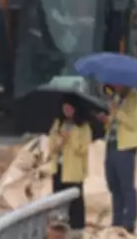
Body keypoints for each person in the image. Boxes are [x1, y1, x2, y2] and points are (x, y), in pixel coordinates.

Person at [98, 83, 137, 230]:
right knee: (113, 184)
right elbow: (114, 124)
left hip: (125, 146)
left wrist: (116, 112)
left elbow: (134, 123)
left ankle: (129, 222)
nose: (115, 86)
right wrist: (106, 120)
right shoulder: (117, 99)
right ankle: (117, 220)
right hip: (112, 144)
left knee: (126, 185)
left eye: (118, 84)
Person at [47, 99, 91, 232]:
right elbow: (51, 146)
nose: (67, 112)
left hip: (74, 168)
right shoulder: (58, 124)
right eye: (64, 109)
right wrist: (61, 139)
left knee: (75, 201)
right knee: (58, 198)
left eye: (69, 109)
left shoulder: (83, 127)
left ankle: (77, 228)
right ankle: (60, 227)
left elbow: (83, 149)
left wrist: (71, 138)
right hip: (59, 166)